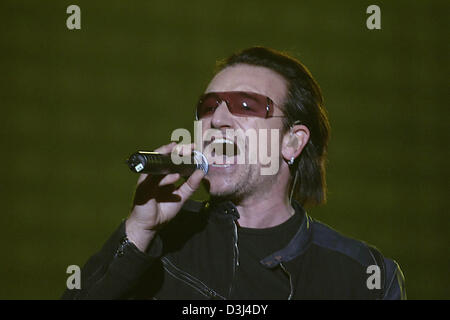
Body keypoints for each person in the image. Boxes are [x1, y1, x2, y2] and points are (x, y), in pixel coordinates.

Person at [62, 47, 406, 300]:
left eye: (246, 105)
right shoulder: (161, 241)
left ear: (291, 142)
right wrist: (138, 233)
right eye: (208, 107)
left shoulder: (362, 276)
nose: (218, 119)